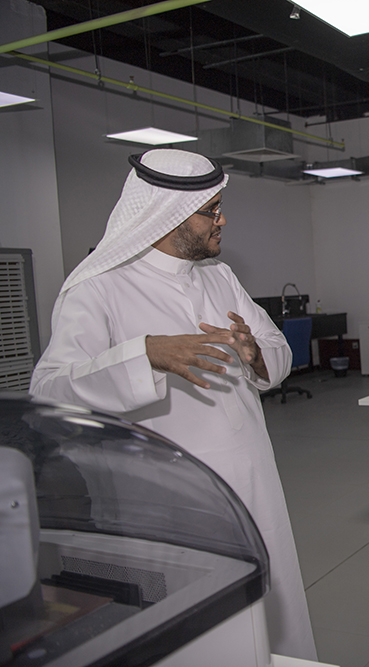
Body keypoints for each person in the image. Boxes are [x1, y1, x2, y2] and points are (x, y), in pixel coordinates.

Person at [30, 149, 317, 661]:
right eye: (211, 211)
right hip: (169, 500)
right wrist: (145, 355)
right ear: (169, 215)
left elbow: (278, 350)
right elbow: (50, 390)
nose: (222, 220)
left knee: (268, 614)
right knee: (196, 630)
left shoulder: (220, 278)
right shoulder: (98, 289)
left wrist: (254, 353)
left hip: (253, 482)